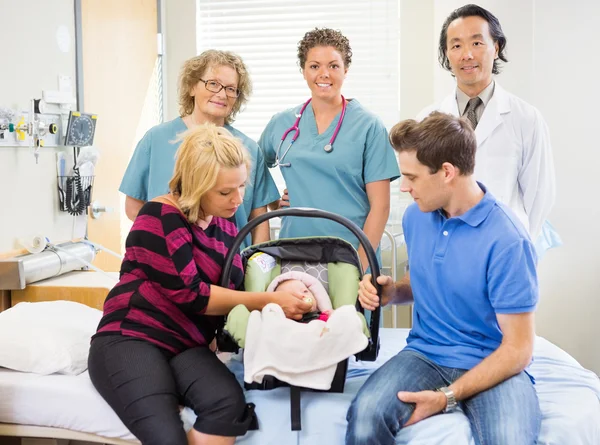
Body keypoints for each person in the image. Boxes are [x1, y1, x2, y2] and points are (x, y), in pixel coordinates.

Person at [88, 124, 313, 445]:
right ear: (196, 185)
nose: (238, 200)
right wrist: (268, 300)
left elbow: (236, 288)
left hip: (186, 346)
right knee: (166, 436)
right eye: (225, 192)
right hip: (132, 339)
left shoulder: (222, 228)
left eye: (241, 187)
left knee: (227, 408)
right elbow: (193, 294)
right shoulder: (159, 217)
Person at [346, 112, 540, 445]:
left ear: (447, 172)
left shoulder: (508, 240)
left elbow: (519, 350)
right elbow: (425, 281)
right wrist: (394, 292)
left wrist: (448, 396)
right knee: (365, 419)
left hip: (491, 362)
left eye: (411, 177)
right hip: (426, 353)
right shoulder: (416, 217)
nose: (404, 188)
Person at [418, 4, 558, 254]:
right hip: (446, 249)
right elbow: (422, 193)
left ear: (496, 47)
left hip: (505, 250)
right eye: (456, 45)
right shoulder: (427, 119)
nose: (467, 55)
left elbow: (539, 196)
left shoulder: (525, 118)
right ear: (447, 54)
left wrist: (519, 249)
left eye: (476, 43)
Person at [259, 28, 400, 269]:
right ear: (303, 70)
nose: (324, 74)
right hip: (293, 249)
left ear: (346, 69)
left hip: (349, 251)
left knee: (346, 308)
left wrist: (360, 266)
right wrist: (275, 203)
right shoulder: (281, 123)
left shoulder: (368, 126)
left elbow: (381, 206)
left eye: (334, 66)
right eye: (314, 66)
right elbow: (253, 171)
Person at [120, 50, 280, 250]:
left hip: (232, 267)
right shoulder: (156, 139)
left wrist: (258, 267)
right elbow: (134, 208)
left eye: (231, 88)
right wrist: (169, 246)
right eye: (213, 83)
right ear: (192, 86)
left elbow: (258, 220)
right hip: (172, 264)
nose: (222, 94)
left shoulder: (247, 148)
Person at [267, 271, 333, 321]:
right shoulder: (282, 322)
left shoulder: (324, 318)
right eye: (292, 296)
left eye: (305, 291)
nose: (301, 296)